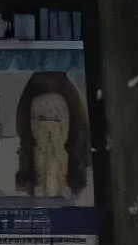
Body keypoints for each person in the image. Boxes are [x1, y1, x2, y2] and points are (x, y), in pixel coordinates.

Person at [14, 66, 93, 200]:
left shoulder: (89, 183)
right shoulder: (24, 183)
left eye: (56, 119)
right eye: (40, 119)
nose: (48, 128)